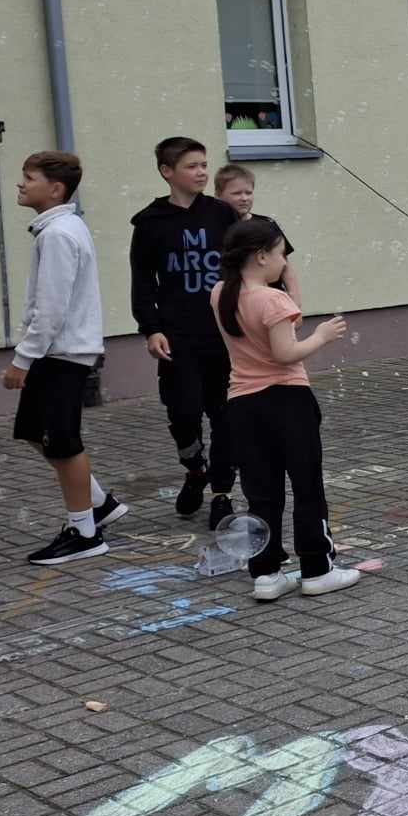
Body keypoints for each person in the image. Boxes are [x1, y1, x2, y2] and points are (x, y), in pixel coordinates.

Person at [211, 218, 360, 599]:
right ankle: (317, 568)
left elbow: (272, 320)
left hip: (243, 404)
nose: (284, 261)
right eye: (279, 254)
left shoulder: (220, 294)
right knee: (307, 484)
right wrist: (322, 337)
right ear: (261, 256)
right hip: (287, 400)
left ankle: (266, 573)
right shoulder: (271, 300)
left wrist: (286, 284)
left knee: (262, 491)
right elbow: (284, 353)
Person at [7, 152, 128, 565]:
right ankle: (99, 502)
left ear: (55, 189)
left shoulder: (58, 234)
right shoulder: (58, 228)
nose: (21, 185)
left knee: (62, 442)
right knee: (33, 430)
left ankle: (84, 531)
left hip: (62, 354)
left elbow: (52, 309)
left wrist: (22, 360)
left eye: (29, 178)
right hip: (57, 352)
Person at [130, 136, 242, 525]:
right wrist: (151, 329)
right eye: (192, 166)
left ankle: (223, 493)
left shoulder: (221, 215)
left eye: (204, 165)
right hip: (179, 337)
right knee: (183, 414)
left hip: (224, 337)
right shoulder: (149, 223)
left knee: (227, 416)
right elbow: (143, 281)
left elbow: (242, 269)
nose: (201, 172)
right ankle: (195, 468)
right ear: (167, 172)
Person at [214, 165, 300, 301]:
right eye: (237, 193)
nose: (244, 198)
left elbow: (285, 265)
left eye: (248, 193)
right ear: (218, 195)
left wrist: (295, 298)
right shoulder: (213, 227)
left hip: (272, 300)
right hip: (234, 301)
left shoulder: (267, 224)